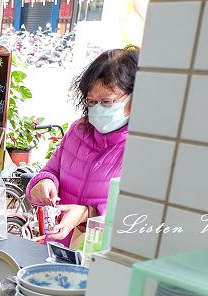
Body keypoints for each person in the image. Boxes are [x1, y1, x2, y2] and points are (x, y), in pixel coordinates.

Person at [25, 47, 139, 248]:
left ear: (133, 97)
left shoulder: (142, 147)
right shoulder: (78, 131)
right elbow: (50, 171)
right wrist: (43, 184)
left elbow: (136, 214)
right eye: (92, 102)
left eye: (106, 102)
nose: (97, 110)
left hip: (99, 258)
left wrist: (87, 214)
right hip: (58, 251)